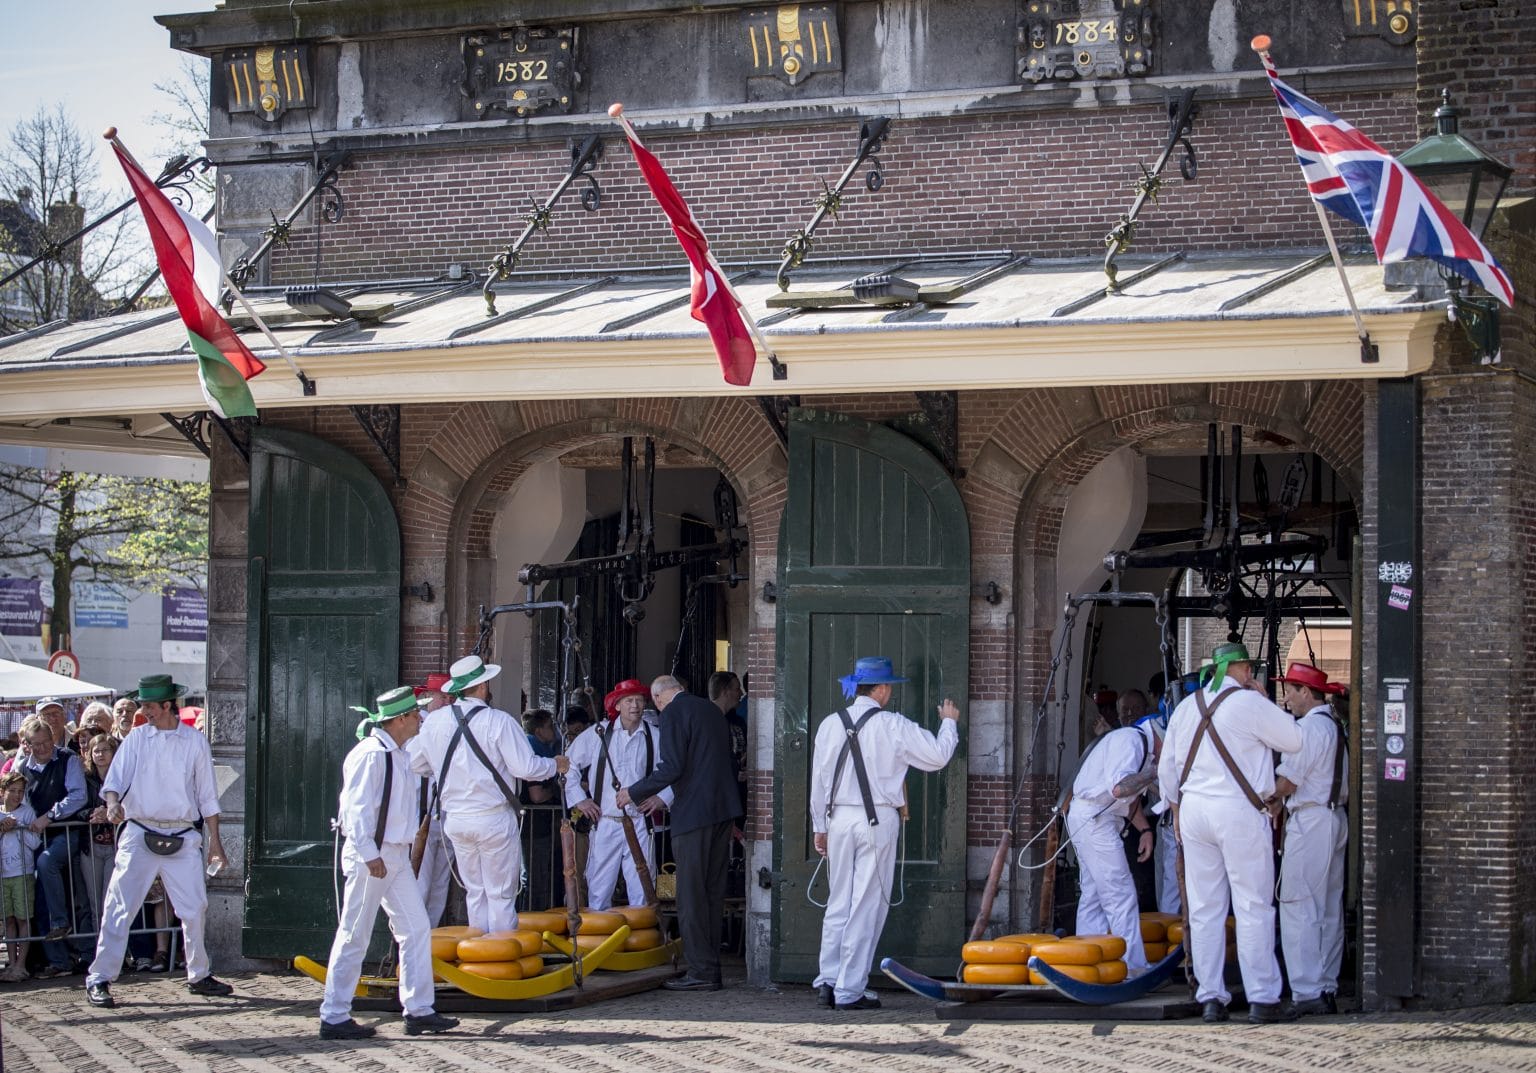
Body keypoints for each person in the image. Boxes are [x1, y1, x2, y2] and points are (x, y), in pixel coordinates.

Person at [1158, 643, 1303, 1025]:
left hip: (1193, 810)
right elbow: (1294, 740)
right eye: (1248, 669)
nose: (1250, 675)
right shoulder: (1249, 702)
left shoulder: (1187, 708)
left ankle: (1210, 998)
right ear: (1239, 668)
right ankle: (1262, 998)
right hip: (1238, 809)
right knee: (1253, 904)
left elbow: (1167, 770)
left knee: (1205, 909)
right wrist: (1264, 700)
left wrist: (1175, 809)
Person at [809, 657, 962, 1011]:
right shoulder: (893, 725)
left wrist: (820, 827)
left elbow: (818, 781)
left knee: (838, 903)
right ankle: (849, 990)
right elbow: (937, 756)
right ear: (880, 690)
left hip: (838, 820)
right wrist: (949, 724)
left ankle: (828, 981)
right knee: (867, 905)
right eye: (889, 685)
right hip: (876, 819)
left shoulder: (830, 725)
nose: (890, 692)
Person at [84, 674, 234, 1009]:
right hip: (140, 830)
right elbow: (114, 781)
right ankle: (100, 977)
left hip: (182, 834)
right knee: (120, 906)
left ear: (167, 705)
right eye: (143, 706)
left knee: (195, 908)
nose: (144, 712)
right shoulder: (137, 739)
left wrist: (215, 842)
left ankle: (198, 974)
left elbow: (208, 796)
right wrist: (112, 804)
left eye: (149, 706)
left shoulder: (195, 742)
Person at [319, 687, 457, 1041]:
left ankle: (419, 1010)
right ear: (399, 720)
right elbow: (355, 810)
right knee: (355, 933)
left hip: (394, 854)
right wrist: (369, 854)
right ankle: (334, 1014)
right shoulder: (372, 755)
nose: (419, 720)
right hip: (375, 854)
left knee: (416, 928)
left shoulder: (398, 752)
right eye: (414, 715)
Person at [408, 654, 567, 934]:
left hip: (455, 818)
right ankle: (501, 956)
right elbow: (526, 767)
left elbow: (415, 763)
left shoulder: (434, 722)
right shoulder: (499, 721)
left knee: (475, 891)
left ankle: (479, 954)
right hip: (492, 817)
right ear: (482, 687)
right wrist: (554, 764)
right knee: (501, 894)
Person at [618, 675, 740, 992]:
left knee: (690, 894)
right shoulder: (712, 710)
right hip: (723, 810)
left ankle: (700, 971)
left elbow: (672, 766)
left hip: (694, 815)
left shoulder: (672, 713)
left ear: (659, 699)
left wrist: (634, 791)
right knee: (713, 894)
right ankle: (710, 967)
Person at [1272, 661, 1349, 1017]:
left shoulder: (1306, 731)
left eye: (1290, 689)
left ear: (1306, 692)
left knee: (1298, 904)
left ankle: (1306, 991)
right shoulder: (1334, 726)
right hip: (1334, 816)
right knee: (1329, 907)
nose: (1286, 697)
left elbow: (1288, 782)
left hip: (1311, 818)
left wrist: (1263, 798)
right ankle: (1326, 985)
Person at [1068, 694, 1160, 976]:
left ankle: (1091, 964)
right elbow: (1120, 789)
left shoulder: (1136, 744)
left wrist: (1144, 829)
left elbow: (1129, 799)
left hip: (1091, 816)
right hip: (1095, 818)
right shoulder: (1132, 742)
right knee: (1120, 894)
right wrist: (1158, 771)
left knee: (1094, 894)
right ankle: (1132, 966)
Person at [565, 679, 669, 910]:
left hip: (640, 822)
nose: (635, 705)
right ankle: (600, 941)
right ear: (617, 705)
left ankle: (639, 941)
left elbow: (673, 770)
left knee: (642, 886)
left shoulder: (655, 736)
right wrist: (579, 799)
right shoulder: (596, 734)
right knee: (599, 888)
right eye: (629, 700)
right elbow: (568, 764)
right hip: (605, 822)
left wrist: (662, 798)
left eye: (640, 700)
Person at [15, 713, 90, 977]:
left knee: (48, 862)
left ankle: (61, 923)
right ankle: (58, 961)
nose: (43, 748)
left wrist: (50, 816)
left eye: (46, 742)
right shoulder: (22, 768)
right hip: (35, 837)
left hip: (65, 832)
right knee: (40, 897)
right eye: (37, 744)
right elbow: (15, 800)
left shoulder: (67, 759)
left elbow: (78, 795)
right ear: (27, 744)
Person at [410, 673, 453, 928]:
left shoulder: (447, 725)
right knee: (421, 883)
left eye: (450, 697)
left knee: (440, 884)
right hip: (422, 815)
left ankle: (431, 942)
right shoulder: (419, 728)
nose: (447, 702)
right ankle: (414, 945)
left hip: (444, 813)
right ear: (428, 697)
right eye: (443, 697)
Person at [0, 770, 40, 981]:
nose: (16, 795)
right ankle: (12, 962)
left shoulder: (27, 813)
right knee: (8, 920)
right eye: (12, 791)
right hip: (3, 874)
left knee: (23, 917)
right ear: (3, 792)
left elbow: (35, 843)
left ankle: (21, 964)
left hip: (22, 872)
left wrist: (19, 829)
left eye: (20, 791)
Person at [80, 733, 122, 929]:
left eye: (105, 750)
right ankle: (99, 950)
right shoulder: (85, 779)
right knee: (95, 902)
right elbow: (77, 809)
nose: (100, 754)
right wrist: (93, 813)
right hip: (91, 846)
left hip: (116, 846)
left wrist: (110, 812)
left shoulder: (123, 777)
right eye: (96, 750)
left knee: (110, 900)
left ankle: (116, 952)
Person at [708, 671, 750, 816]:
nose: (741, 693)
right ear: (726, 692)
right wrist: (733, 773)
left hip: (738, 793)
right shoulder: (705, 721)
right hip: (717, 796)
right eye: (737, 689)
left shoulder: (738, 721)